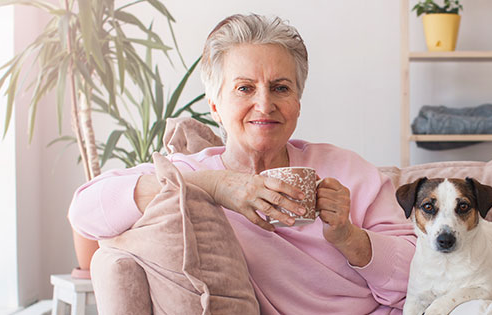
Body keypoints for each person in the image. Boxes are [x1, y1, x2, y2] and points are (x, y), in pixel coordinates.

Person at [68, 14, 415, 314]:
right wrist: (215, 186)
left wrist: (349, 237)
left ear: (298, 100)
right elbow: (85, 209)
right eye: (245, 88)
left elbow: (419, 275)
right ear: (215, 105)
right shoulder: (191, 174)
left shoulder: (347, 170)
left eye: (280, 88)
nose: (264, 106)